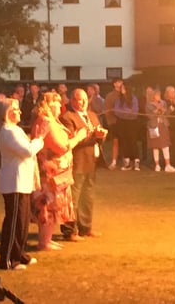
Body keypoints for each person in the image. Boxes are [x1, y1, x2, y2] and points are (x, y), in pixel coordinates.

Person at [0, 97, 44, 270]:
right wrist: (40, 139)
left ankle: (20, 254)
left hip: (22, 182)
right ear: (7, 112)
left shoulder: (15, 130)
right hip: (13, 183)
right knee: (15, 222)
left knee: (23, 221)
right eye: (16, 109)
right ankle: (8, 259)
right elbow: (27, 151)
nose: (20, 112)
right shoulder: (8, 131)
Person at [31, 93, 81, 251]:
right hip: (49, 175)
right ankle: (44, 242)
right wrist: (79, 137)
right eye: (57, 103)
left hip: (58, 174)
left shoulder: (53, 121)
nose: (61, 106)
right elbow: (61, 146)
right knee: (48, 206)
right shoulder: (46, 121)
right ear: (49, 104)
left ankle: (47, 239)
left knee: (54, 206)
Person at [59, 89, 108, 241]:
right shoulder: (68, 117)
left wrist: (101, 136)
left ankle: (85, 228)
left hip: (92, 162)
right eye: (81, 100)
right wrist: (93, 137)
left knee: (88, 196)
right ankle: (70, 231)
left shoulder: (92, 115)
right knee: (73, 197)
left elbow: (97, 137)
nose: (84, 102)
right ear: (73, 100)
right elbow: (71, 141)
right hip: (78, 161)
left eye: (86, 99)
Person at [145, 88, 175, 172]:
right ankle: (157, 165)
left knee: (165, 145)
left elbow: (167, 114)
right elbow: (149, 116)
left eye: (159, 95)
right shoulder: (148, 105)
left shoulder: (163, 103)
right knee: (155, 146)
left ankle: (168, 165)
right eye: (156, 95)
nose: (158, 97)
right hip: (154, 126)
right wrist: (157, 110)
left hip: (163, 125)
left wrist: (168, 109)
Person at [114, 84, 140, 171]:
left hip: (132, 123)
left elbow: (135, 112)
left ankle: (136, 162)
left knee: (133, 141)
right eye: (121, 88)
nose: (122, 90)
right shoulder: (118, 100)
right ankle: (127, 162)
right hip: (122, 123)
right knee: (124, 142)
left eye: (123, 88)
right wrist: (127, 112)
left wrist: (125, 112)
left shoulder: (133, 98)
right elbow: (117, 111)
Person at [104, 78, 123, 170]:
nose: (120, 84)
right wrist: (110, 122)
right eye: (118, 82)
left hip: (125, 121)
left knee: (125, 142)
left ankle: (125, 160)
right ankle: (114, 161)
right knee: (115, 141)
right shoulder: (110, 96)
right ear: (114, 84)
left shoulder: (124, 93)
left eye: (121, 82)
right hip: (114, 122)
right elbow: (108, 110)